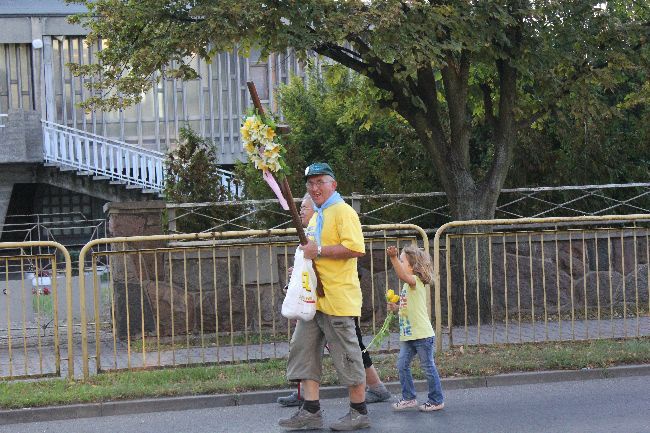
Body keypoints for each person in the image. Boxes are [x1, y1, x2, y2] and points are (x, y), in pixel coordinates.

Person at [278, 163, 370, 431]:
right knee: (303, 350)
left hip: (338, 300)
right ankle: (311, 410)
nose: (315, 188)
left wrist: (317, 252)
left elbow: (355, 248)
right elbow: (313, 251)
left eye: (320, 182)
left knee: (347, 356)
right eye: (310, 184)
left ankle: (359, 412)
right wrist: (303, 265)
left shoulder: (343, 212)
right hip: (313, 301)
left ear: (334, 185)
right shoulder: (318, 215)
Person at [278, 194, 391, 408]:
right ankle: (308, 400)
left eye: (305, 207)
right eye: (300, 207)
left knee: (350, 348)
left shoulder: (336, 216)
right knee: (307, 347)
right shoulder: (313, 227)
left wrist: (315, 258)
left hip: (338, 301)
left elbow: (350, 253)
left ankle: (368, 397)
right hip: (319, 302)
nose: (301, 211)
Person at [386, 244, 445, 412]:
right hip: (408, 336)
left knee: (428, 367)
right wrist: (396, 308)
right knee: (402, 366)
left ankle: (436, 400)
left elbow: (402, 275)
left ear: (412, 267)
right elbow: (408, 307)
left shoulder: (415, 281)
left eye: (402, 261)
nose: (400, 263)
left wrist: (393, 258)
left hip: (422, 335)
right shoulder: (407, 286)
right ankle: (409, 398)